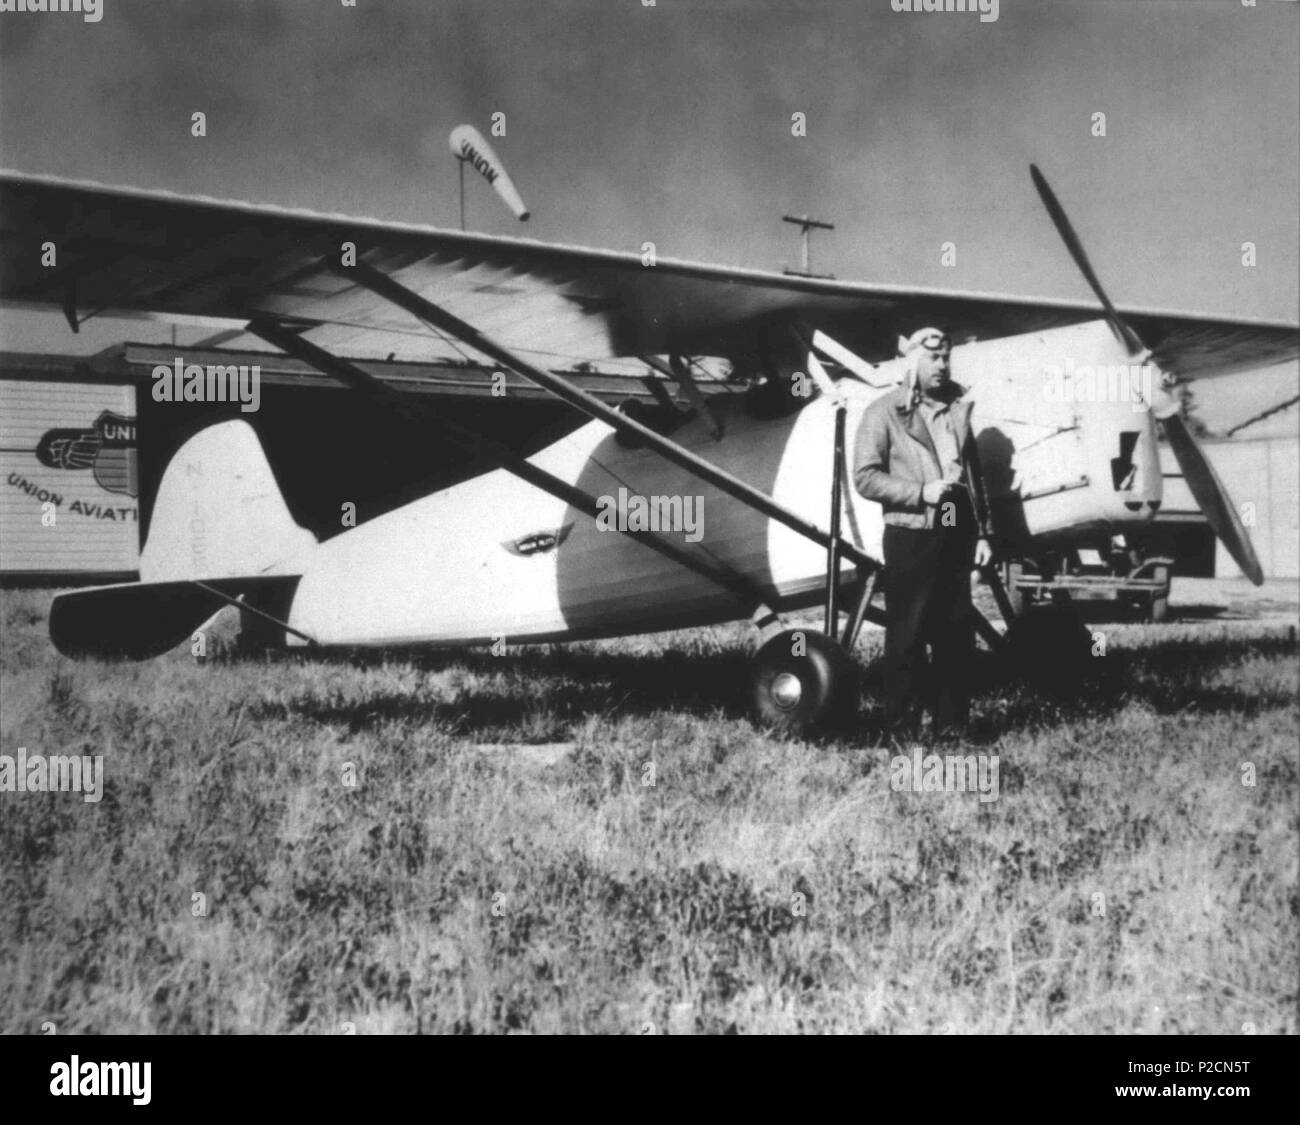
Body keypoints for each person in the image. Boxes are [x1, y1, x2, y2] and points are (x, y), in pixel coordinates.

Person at [853, 327, 994, 736]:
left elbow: (974, 476)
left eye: (947, 357)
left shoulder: (957, 410)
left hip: (955, 521)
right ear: (913, 362)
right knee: (908, 634)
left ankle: (953, 729)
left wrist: (984, 533)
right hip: (912, 530)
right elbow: (864, 477)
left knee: (955, 632)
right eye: (935, 358)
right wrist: (919, 493)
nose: (943, 365)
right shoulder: (883, 412)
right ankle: (902, 730)